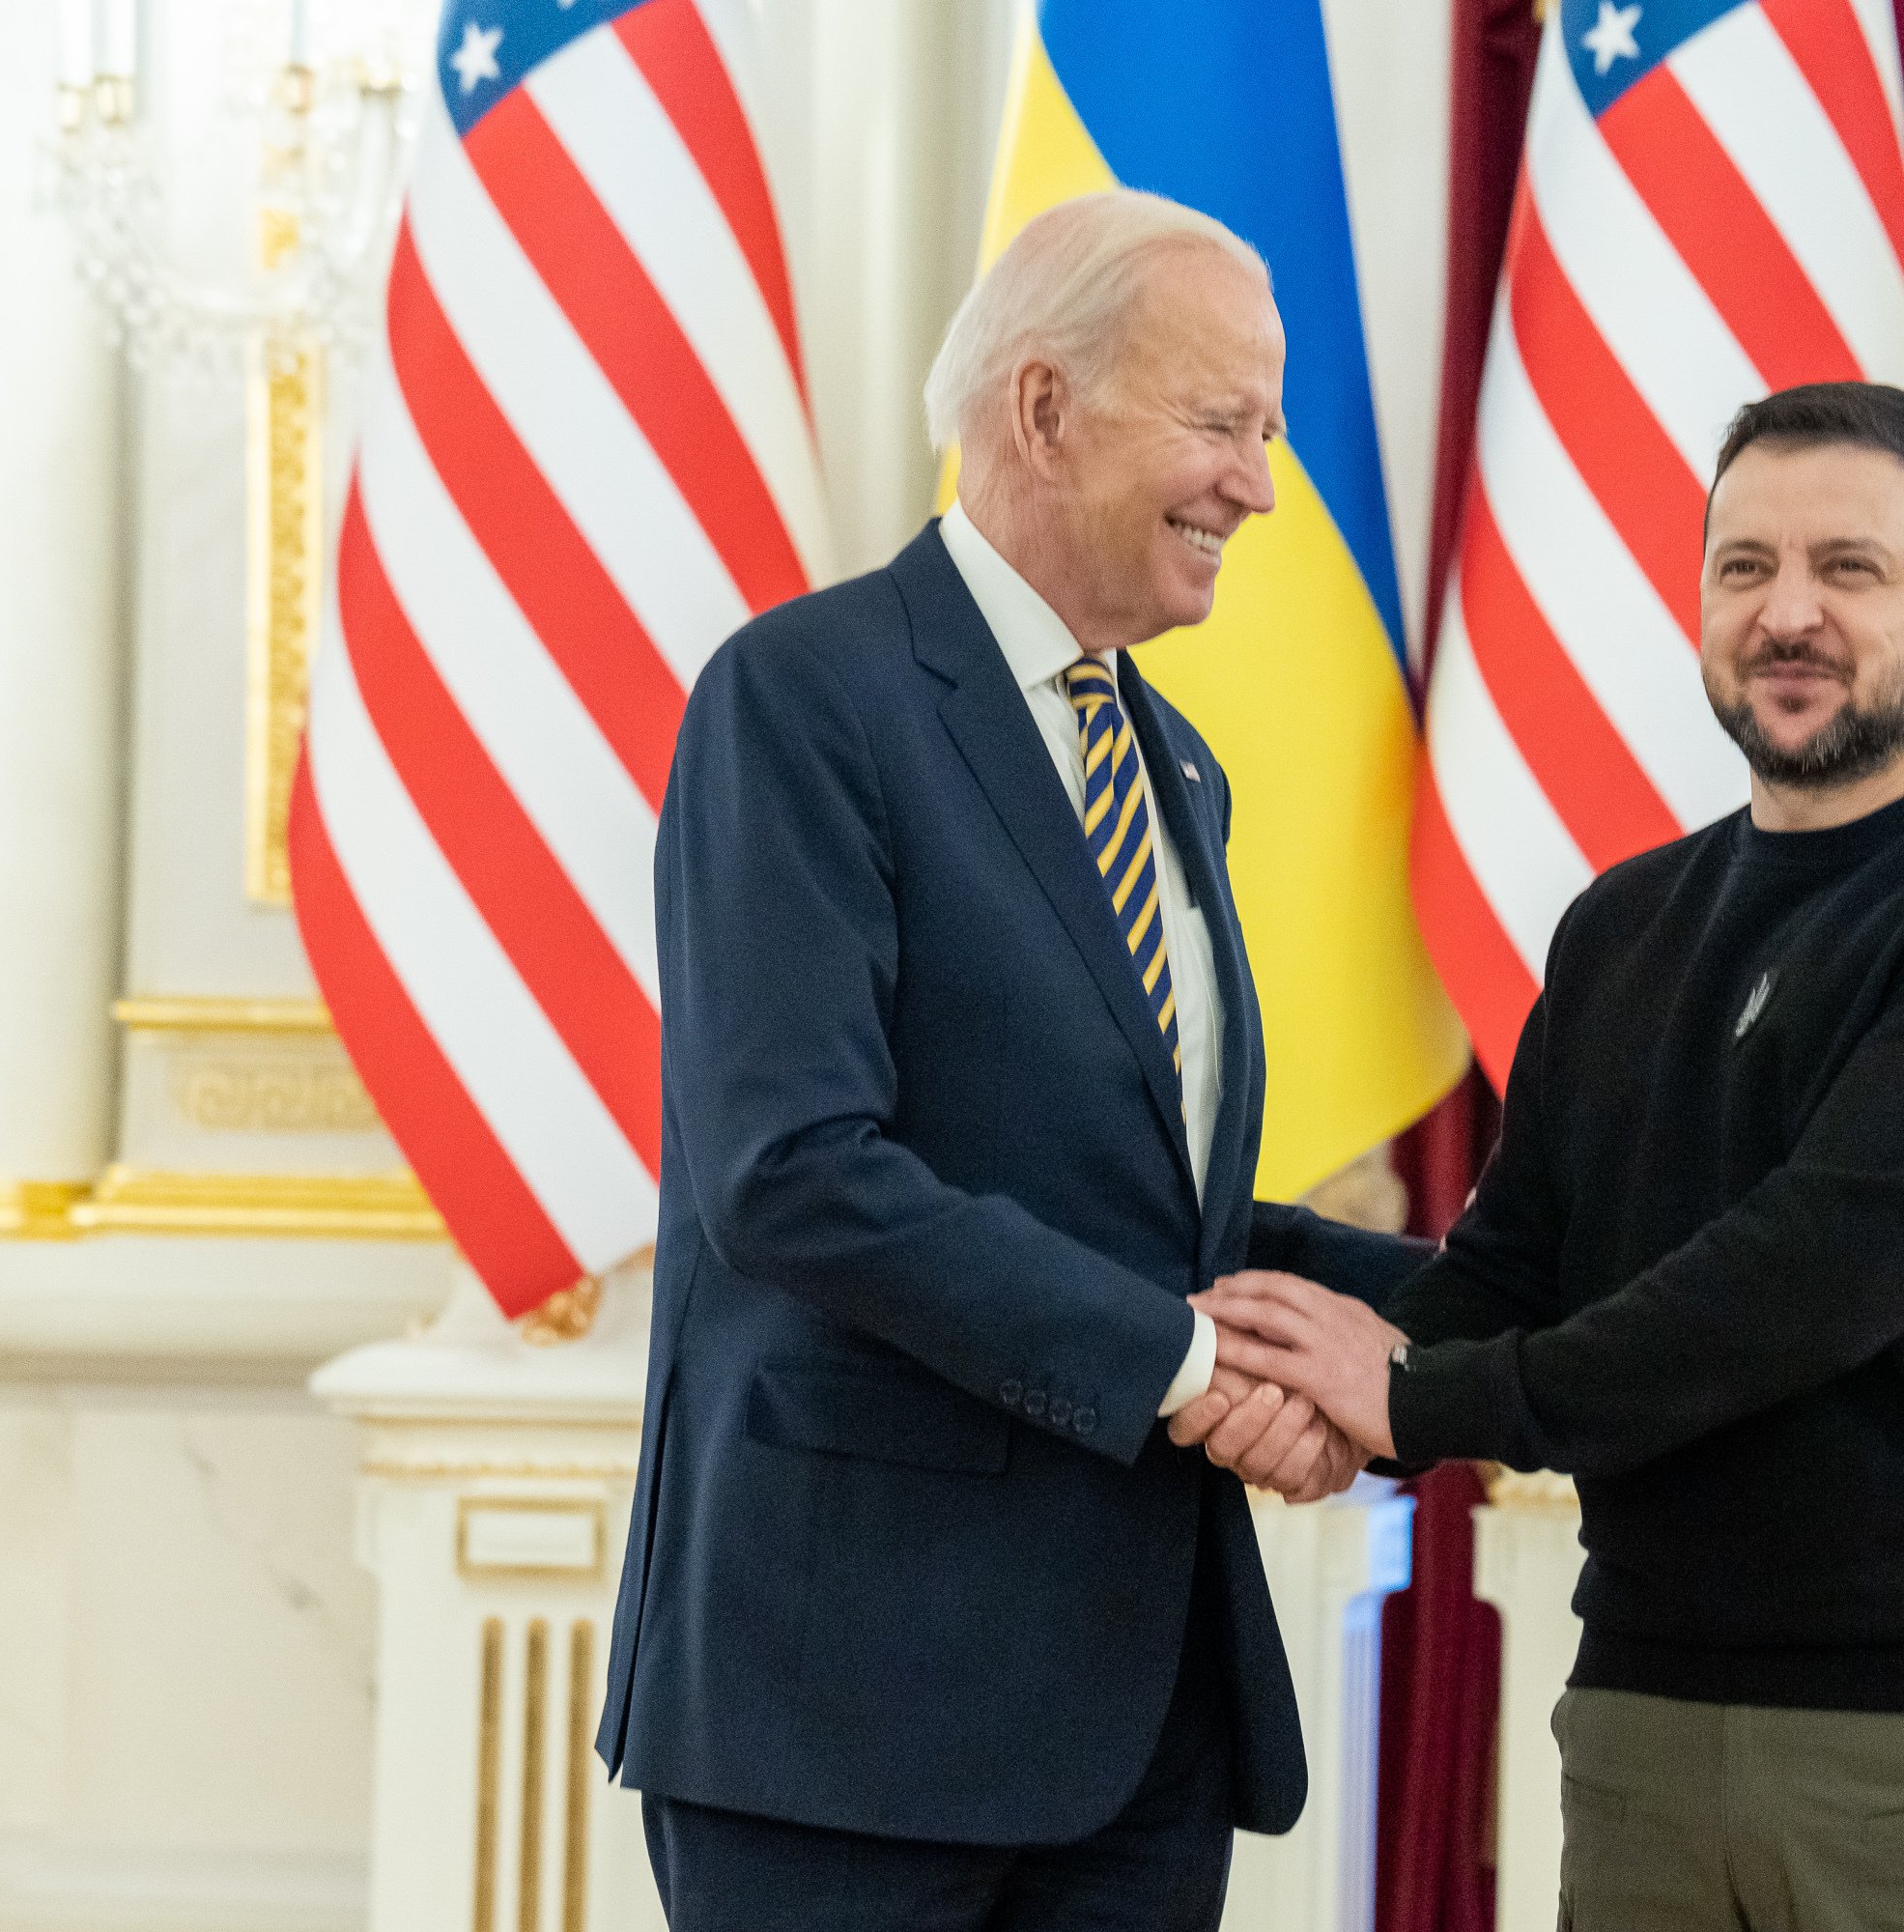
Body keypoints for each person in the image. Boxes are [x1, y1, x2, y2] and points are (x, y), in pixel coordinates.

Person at [1185, 383, 1904, 1931]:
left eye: (1850, 568)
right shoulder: (1624, 926)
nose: (1788, 613)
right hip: (1640, 1729)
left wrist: (1411, 1402)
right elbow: (1515, 1276)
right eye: (1744, 566)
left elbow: (1798, 1287)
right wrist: (1246, 1312)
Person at [596, 188, 1429, 1931]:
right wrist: (1189, 1370)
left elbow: (1151, 1217)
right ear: (1045, 408)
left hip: (1136, 1730)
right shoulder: (803, 696)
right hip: (847, 1719)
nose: (1262, 488)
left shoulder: (1175, 763)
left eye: (1269, 434)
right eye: (1223, 424)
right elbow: (793, 1173)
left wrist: (1488, 1314)